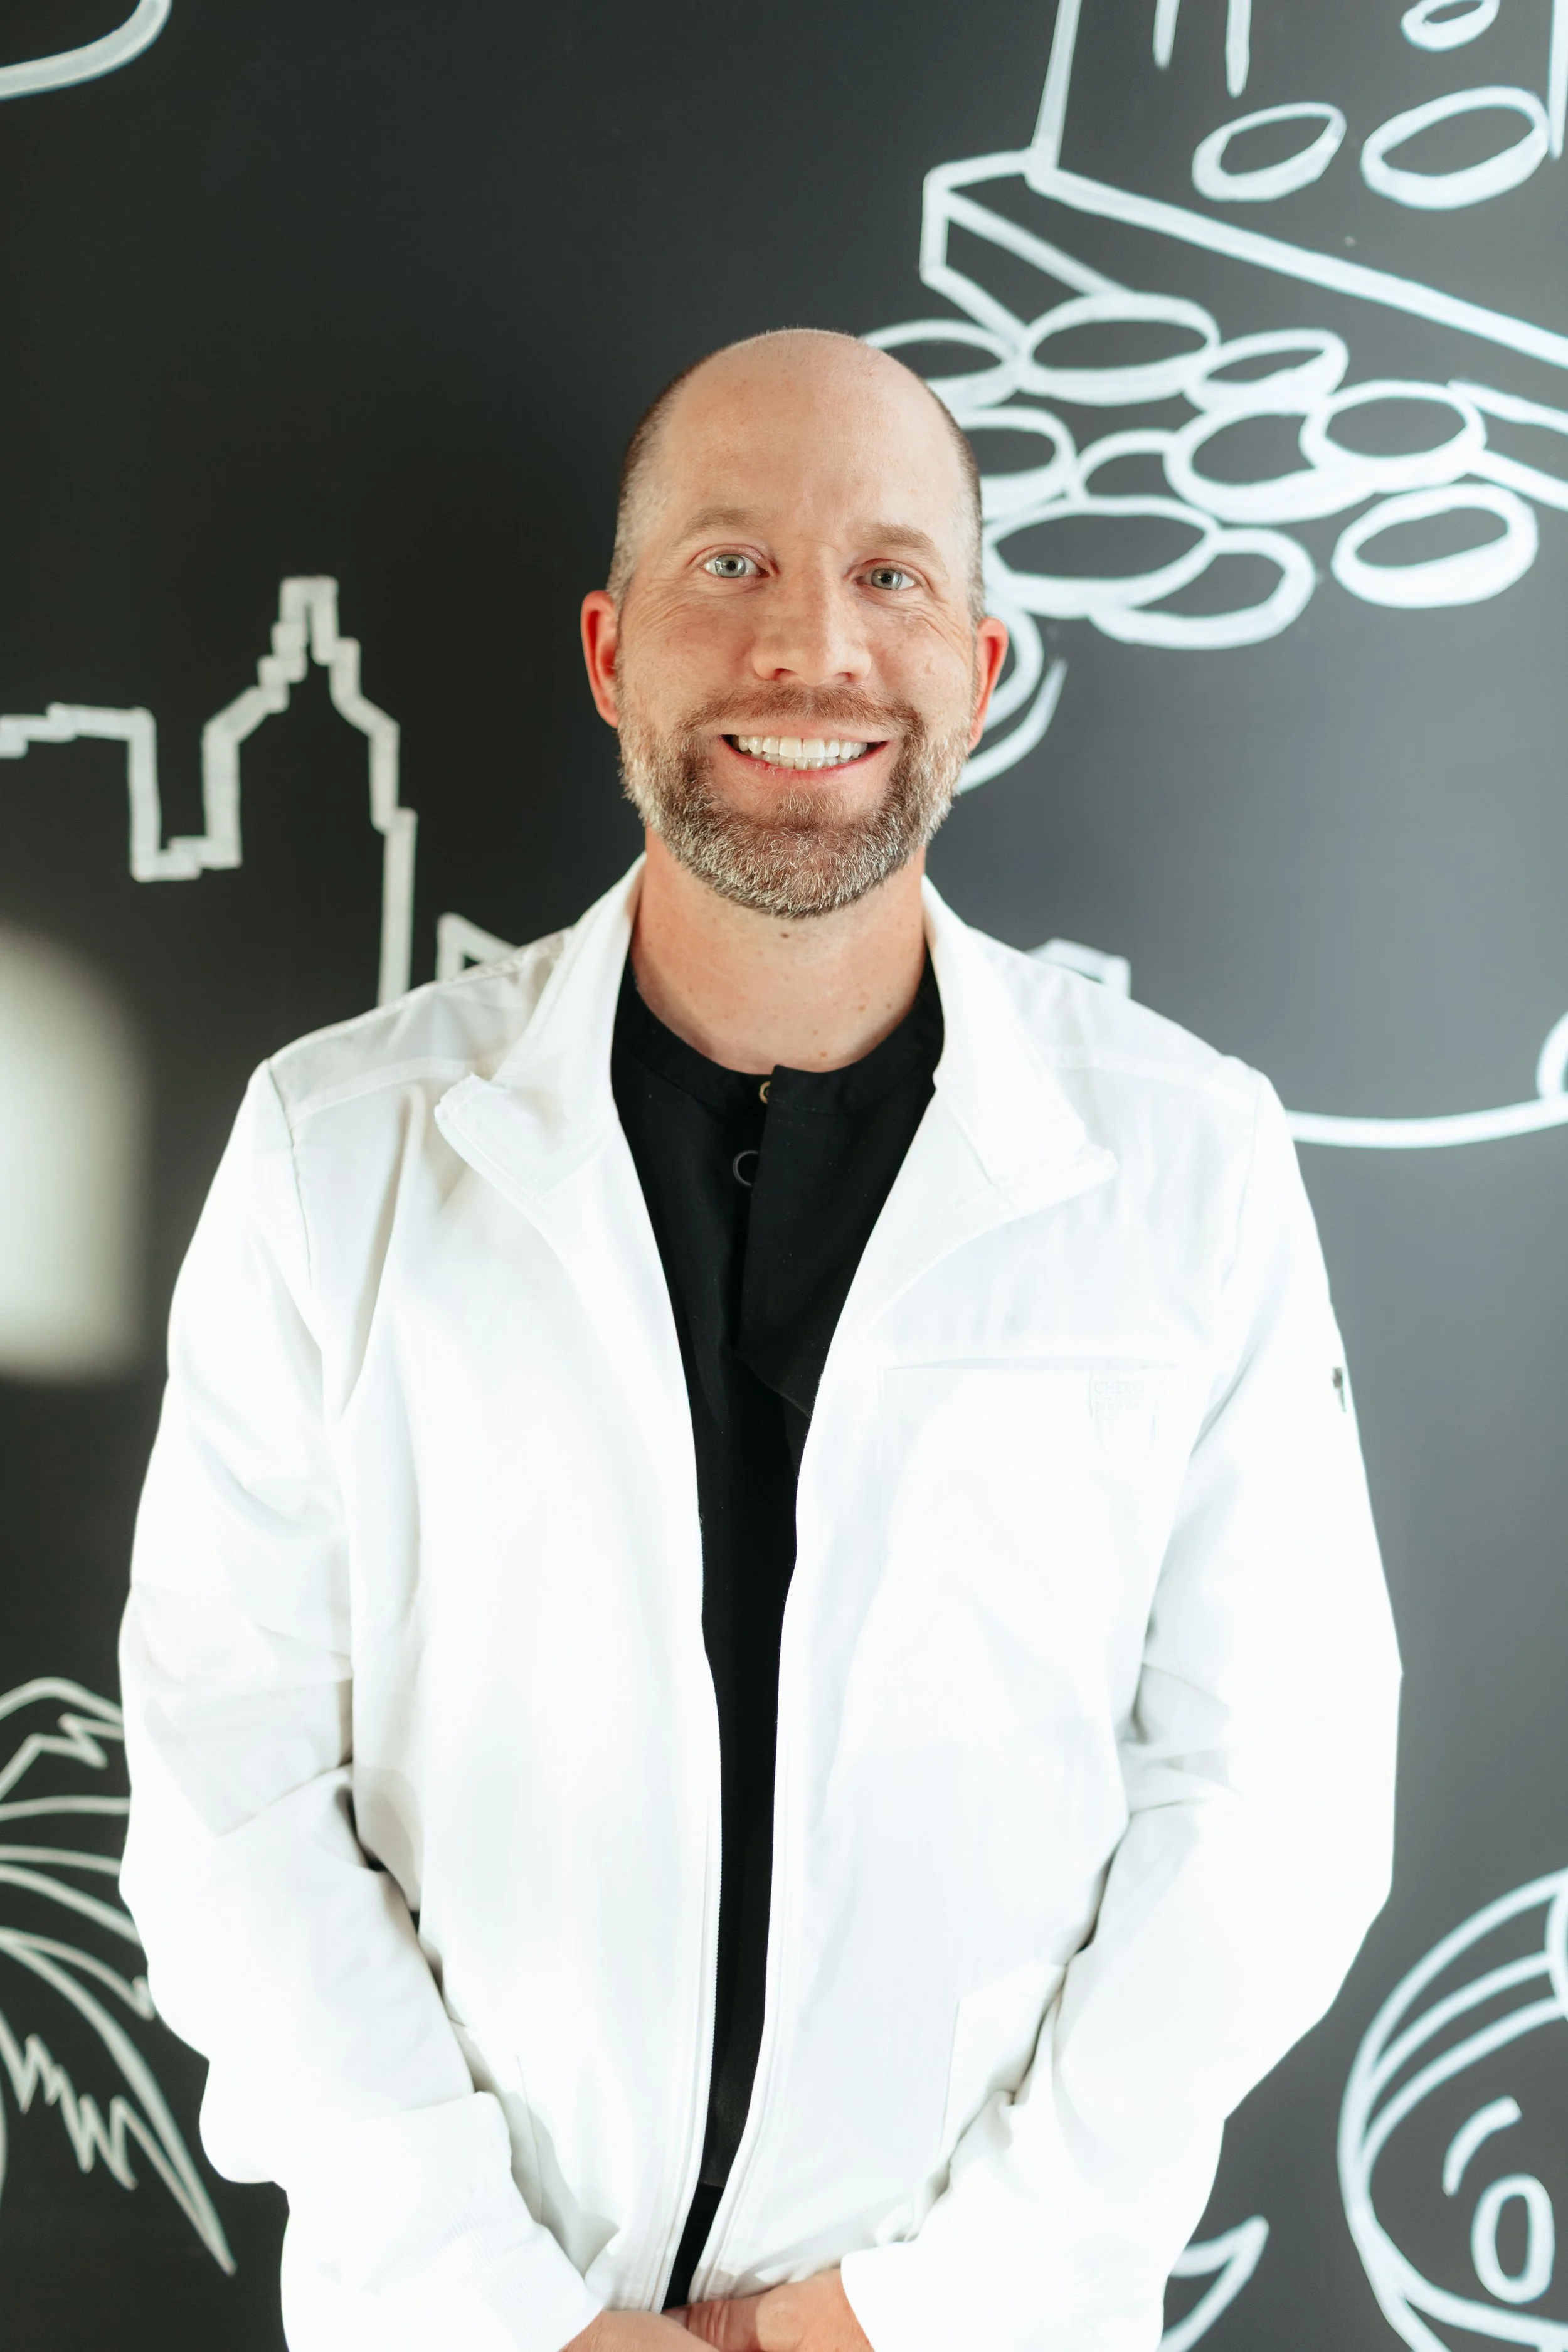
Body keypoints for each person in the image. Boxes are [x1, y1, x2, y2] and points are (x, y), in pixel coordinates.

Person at [118, 330, 1401, 2352]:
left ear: (977, 669)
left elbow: (1274, 1803)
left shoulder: (1186, 1163)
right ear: (609, 651)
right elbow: (228, 1798)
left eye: (891, 573)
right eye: (731, 563)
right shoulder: (330, 1151)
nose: (812, 645)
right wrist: (512, 2310)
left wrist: (902, 2309)